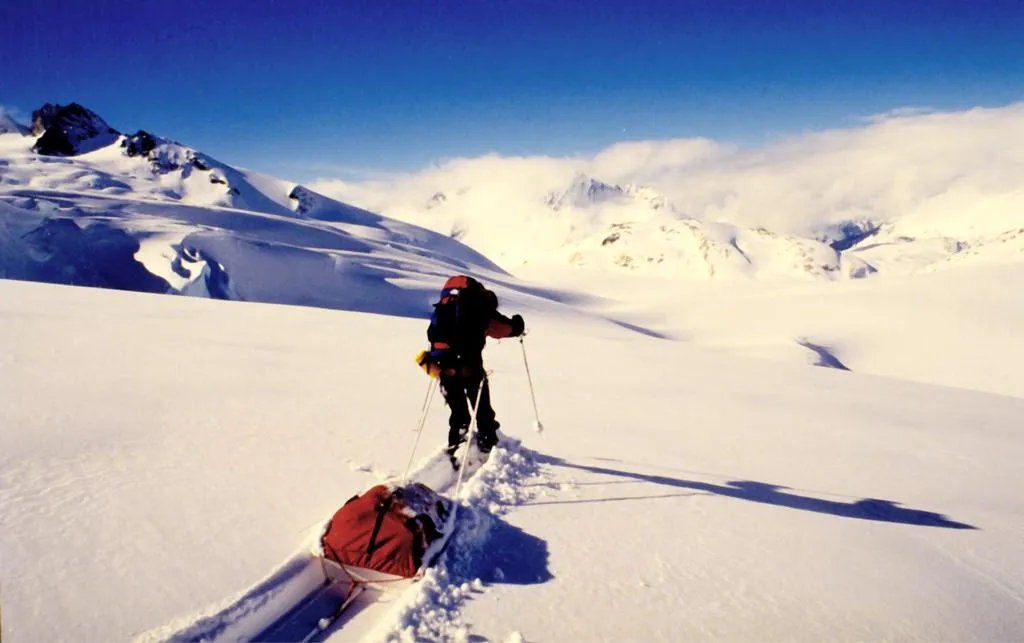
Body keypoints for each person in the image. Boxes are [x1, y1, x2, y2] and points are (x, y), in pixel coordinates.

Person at [418, 275, 525, 465]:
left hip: (443, 364)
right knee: (481, 406)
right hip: (469, 365)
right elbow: (502, 329)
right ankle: (487, 442)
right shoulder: (480, 307)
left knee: (458, 412)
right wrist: (517, 326)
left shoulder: (446, 305)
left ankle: (457, 442)